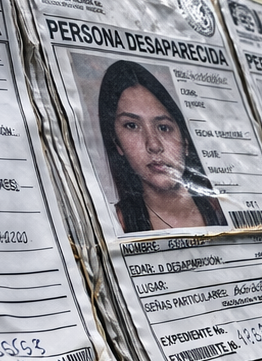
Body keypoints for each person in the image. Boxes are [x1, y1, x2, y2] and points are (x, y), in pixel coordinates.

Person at [97, 60, 227, 233]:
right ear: (117, 143)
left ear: (185, 141)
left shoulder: (223, 208)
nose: (154, 145)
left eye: (163, 127)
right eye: (132, 126)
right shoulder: (113, 224)